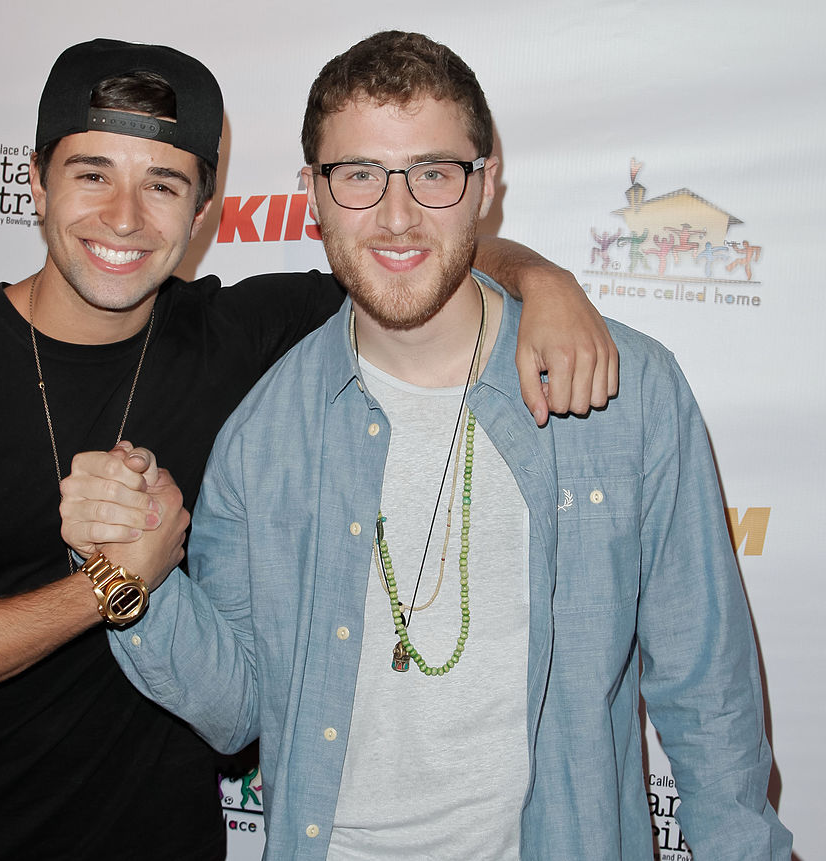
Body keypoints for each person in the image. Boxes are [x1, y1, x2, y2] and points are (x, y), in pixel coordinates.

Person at [0, 38, 617, 860]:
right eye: (92, 173)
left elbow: (410, 251)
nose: (124, 217)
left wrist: (545, 281)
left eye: (162, 184)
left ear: (203, 212)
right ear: (35, 179)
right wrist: (116, 584)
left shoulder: (247, 339)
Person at [69, 31, 792, 860]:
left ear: (486, 188)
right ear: (313, 192)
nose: (398, 215)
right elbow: (240, 709)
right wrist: (134, 577)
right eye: (360, 176)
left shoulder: (626, 394)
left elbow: (709, 694)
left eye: (434, 174)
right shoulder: (265, 436)